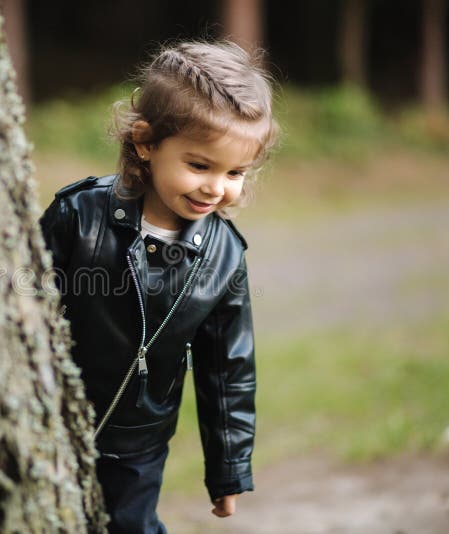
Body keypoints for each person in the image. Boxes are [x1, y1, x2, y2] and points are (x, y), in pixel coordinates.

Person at [39, 40, 279, 533]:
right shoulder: (79, 216)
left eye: (235, 172)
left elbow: (227, 367)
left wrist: (228, 469)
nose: (217, 187)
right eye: (200, 165)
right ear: (146, 143)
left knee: (129, 526)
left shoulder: (224, 254)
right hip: (52, 420)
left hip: (138, 438)